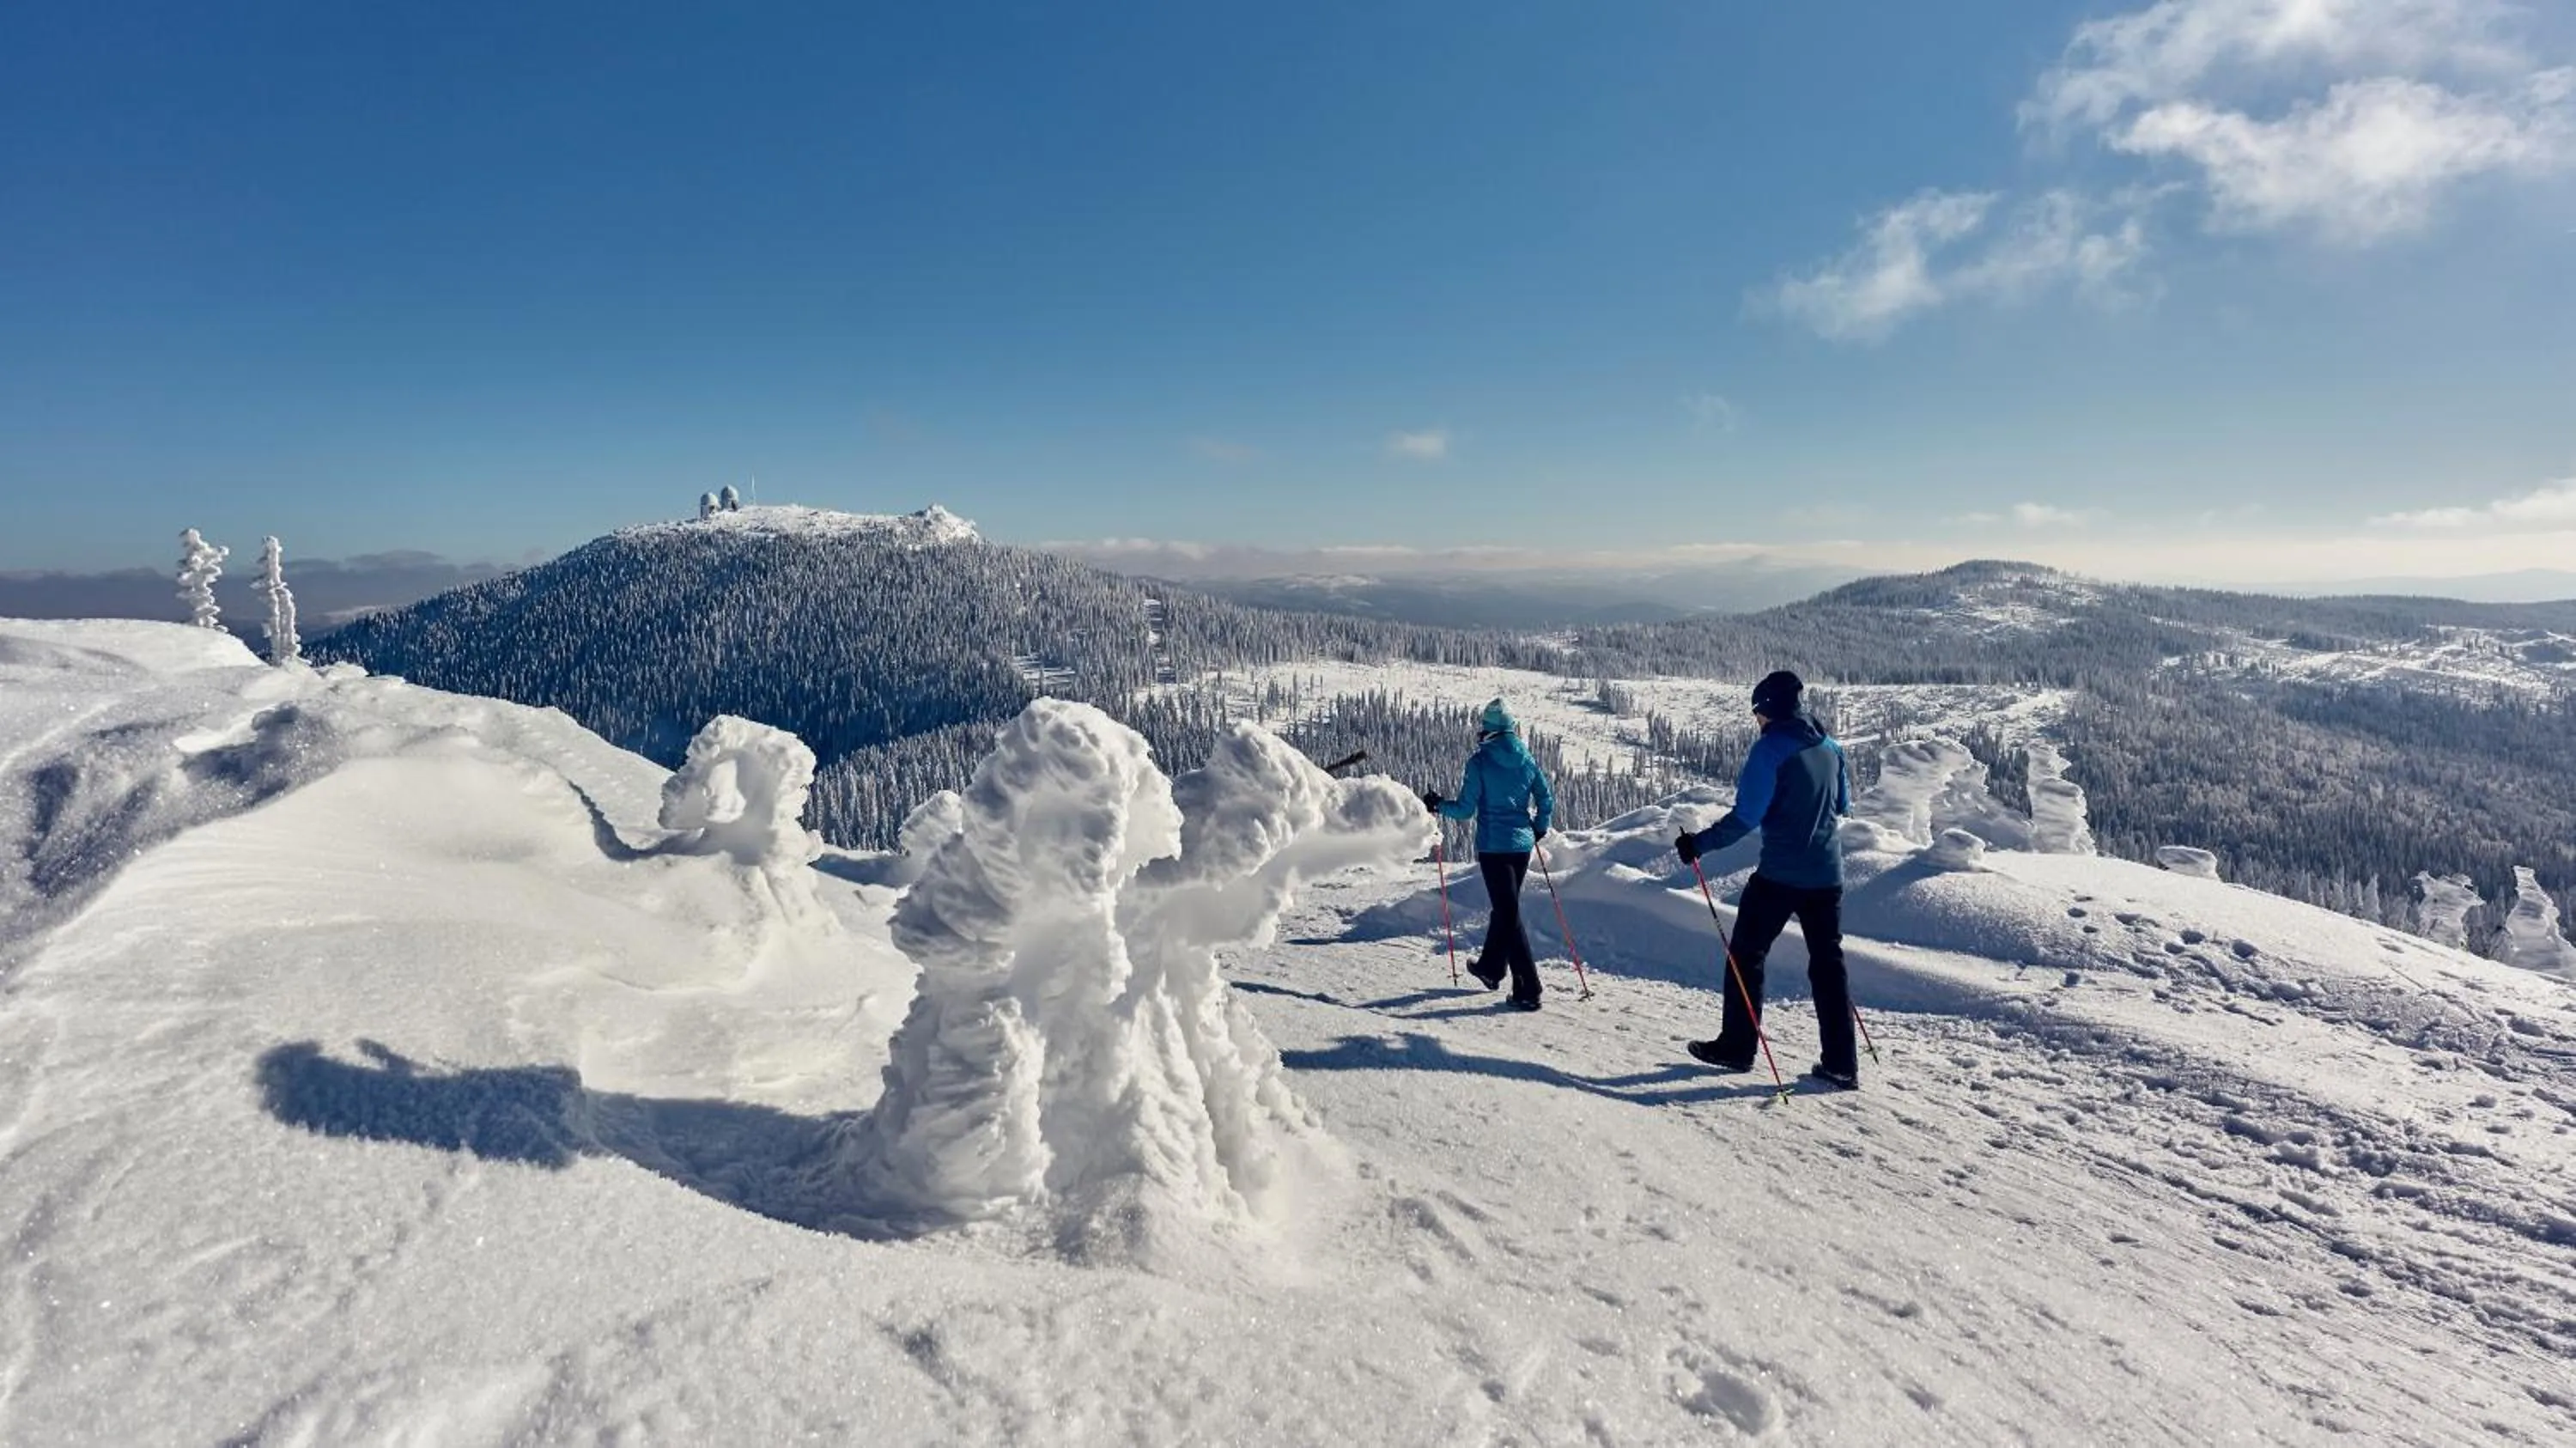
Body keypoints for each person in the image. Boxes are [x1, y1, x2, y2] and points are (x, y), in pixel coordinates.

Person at [1674, 670, 1860, 1089]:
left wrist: (1698, 844)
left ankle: (1738, 1048)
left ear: (1770, 709)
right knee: (1828, 965)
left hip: (1780, 874)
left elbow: (1745, 817)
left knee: (1746, 954)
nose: (1755, 719)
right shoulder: (1829, 745)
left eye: (1757, 711)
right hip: (1828, 875)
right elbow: (1843, 804)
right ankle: (1842, 1063)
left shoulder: (1770, 749)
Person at [1422, 698, 1556, 1010]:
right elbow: (1545, 798)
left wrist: (1438, 804)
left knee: (1508, 913)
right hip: (1522, 847)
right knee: (1505, 908)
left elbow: (1466, 810)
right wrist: (1539, 827)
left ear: (1489, 729)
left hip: (1493, 847)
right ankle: (1492, 968)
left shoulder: (1479, 761)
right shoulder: (1526, 759)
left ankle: (1530, 987)